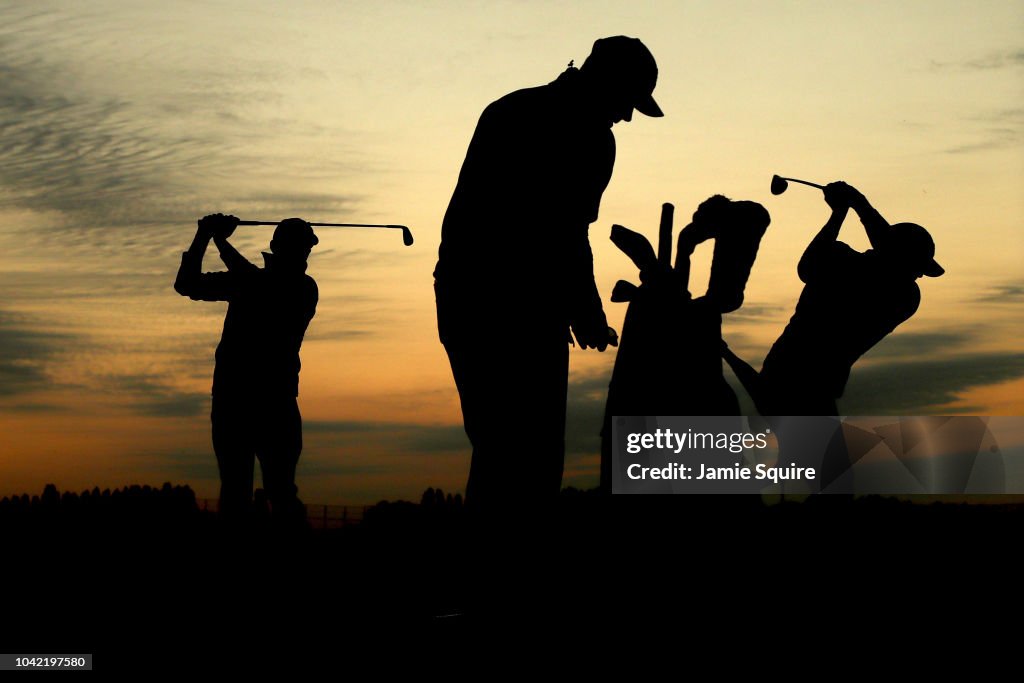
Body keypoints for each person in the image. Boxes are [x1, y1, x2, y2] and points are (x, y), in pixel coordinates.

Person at [434, 36, 663, 509]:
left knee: (501, 448)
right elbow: (563, 229)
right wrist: (588, 311)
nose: (626, 116)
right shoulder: (592, 138)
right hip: (515, 307)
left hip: (468, 296)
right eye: (628, 102)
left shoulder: (509, 109)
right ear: (607, 82)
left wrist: (580, 308)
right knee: (526, 457)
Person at [722, 181, 943, 491]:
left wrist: (844, 211)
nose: (919, 274)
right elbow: (884, 255)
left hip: (793, 375)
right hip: (809, 385)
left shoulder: (850, 265)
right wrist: (854, 205)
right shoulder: (903, 294)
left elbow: (810, 266)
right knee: (835, 482)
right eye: (917, 267)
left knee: (830, 480)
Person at [174, 213, 319, 525]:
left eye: (304, 250)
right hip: (238, 401)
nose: (303, 256)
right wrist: (203, 237)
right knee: (237, 492)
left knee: (279, 492)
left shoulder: (302, 288)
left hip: (271, 402)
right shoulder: (245, 281)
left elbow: (256, 283)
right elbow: (186, 284)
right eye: (301, 249)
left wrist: (217, 237)